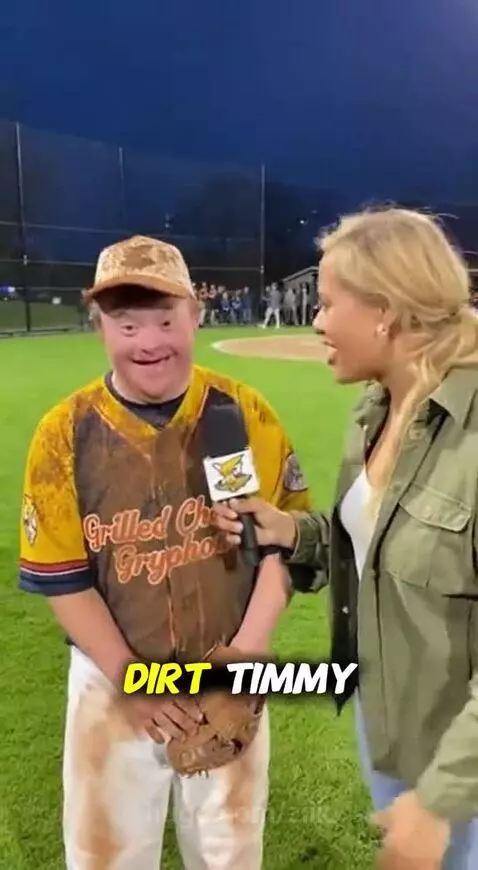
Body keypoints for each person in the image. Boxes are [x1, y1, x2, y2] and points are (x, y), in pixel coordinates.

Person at [18, 235, 313, 870]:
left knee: (230, 855)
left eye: (165, 319)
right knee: (108, 857)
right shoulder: (64, 435)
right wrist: (132, 679)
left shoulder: (240, 414)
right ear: (99, 325)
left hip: (226, 668)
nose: (148, 342)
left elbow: (278, 548)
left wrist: (247, 654)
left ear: (196, 314)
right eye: (126, 324)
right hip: (113, 678)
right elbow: (65, 580)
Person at [213, 207, 478, 870]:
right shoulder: (376, 411)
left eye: (330, 304)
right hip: (389, 721)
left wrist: (439, 802)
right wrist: (296, 534)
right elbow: (380, 544)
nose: (317, 321)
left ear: (385, 310)